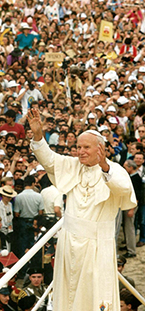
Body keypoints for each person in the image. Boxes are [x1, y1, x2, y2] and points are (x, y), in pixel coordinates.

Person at [27, 108, 136, 310]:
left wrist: (104, 166)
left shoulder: (114, 169)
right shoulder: (72, 164)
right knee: (68, 292)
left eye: (86, 147)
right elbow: (49, 160)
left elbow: (123, 189)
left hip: (97, 243)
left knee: (95, 292)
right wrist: (38, 135)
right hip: (70, 240)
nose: (81, 151)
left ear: (100, 149)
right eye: (78, 147)